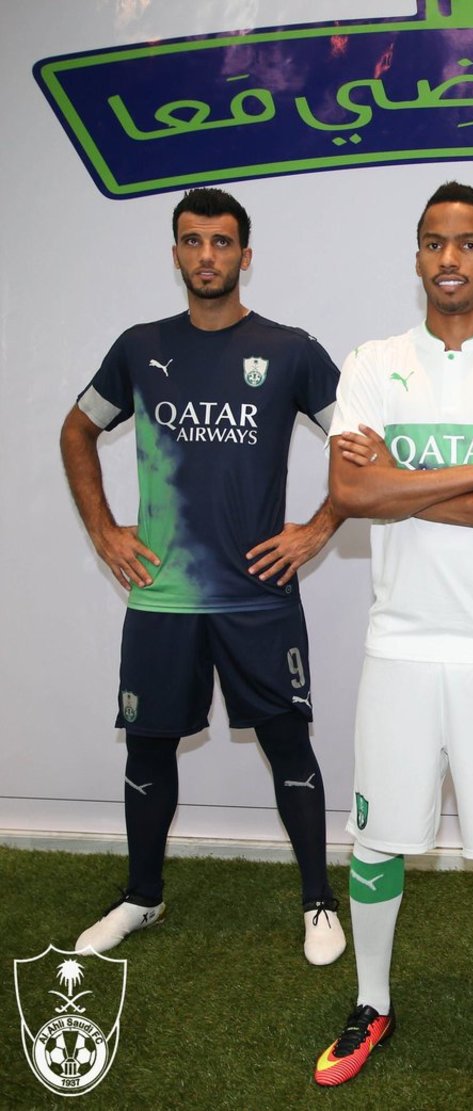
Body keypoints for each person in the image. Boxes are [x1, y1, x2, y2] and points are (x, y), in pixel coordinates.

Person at [313, 182, 473, 1093]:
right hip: (401, 645)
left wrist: (406, 480)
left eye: (467, 243)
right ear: (417, 257)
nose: (450, 258)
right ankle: (372, 1000)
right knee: (378, 839)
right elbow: (351, 493)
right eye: (434, 242)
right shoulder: (373, 363)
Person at [61, 187, 347, 965]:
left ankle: (318, 899)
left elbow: (360, 444)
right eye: (193, 241)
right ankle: (141, 896)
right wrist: (105, 531)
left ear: (245, 255)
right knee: (148, 744)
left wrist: (318, 527)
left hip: (258, 592)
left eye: (222, 242)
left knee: (287, 741)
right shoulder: (139, 347)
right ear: (176, 253)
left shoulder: (289, 349)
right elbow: (78, 429)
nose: (207, 255)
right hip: (164, 594)